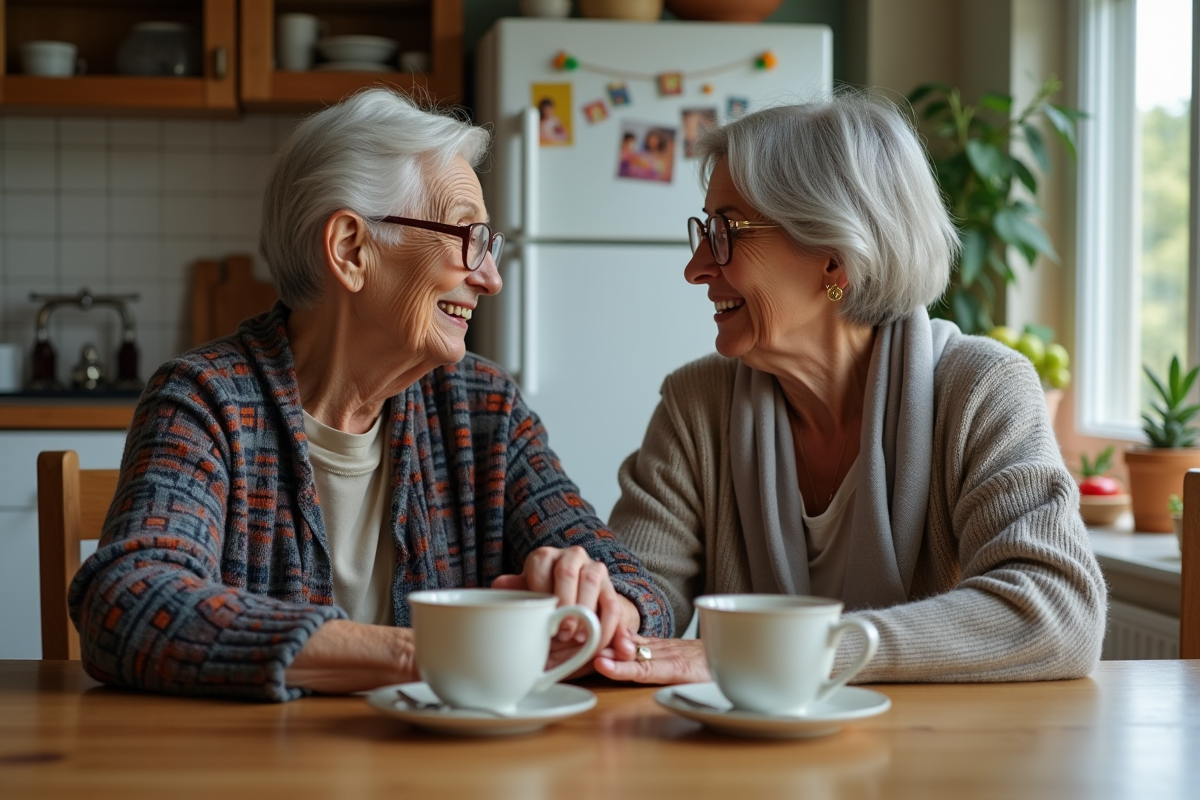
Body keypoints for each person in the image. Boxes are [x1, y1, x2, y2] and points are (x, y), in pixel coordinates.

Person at [67, 89, 671, 702]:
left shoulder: (484, 408)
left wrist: (605, 604)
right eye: (469, 238)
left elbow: (630, 583)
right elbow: (128, 602)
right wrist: (433, 653)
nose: (490, 278)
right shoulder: (205, 401)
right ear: (352, 249)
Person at [594, 93, 1107, 685]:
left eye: (727, 232)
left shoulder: (981, 390)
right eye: (704, 231)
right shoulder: (697, 406)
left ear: (834, 261)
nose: (697, 267)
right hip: (744, 763)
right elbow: (641, 585)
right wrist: (607, 609)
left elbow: (1058, 612)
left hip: (933, 760)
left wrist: (787, 657)